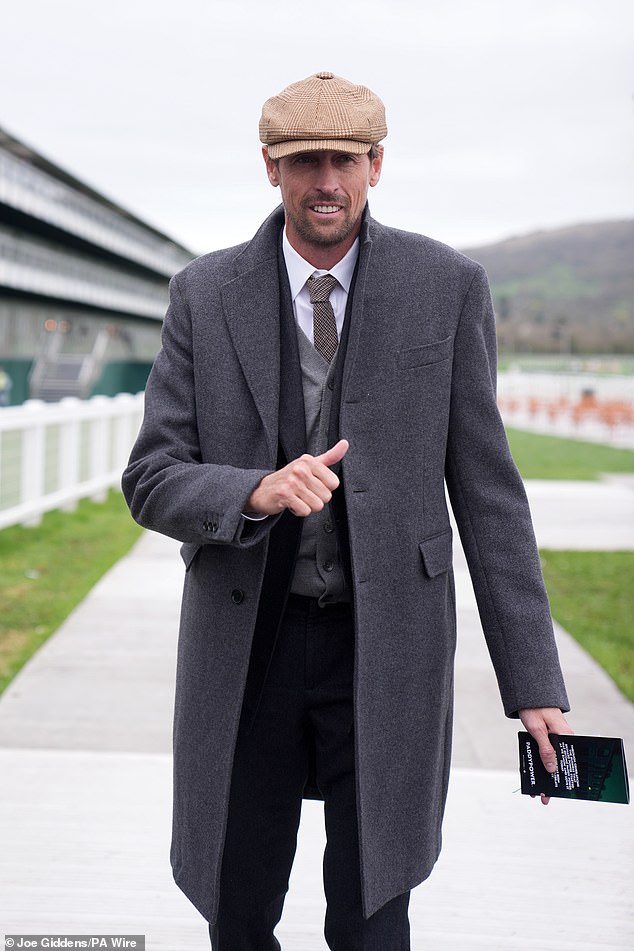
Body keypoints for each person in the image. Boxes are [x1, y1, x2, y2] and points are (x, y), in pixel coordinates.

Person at [122, 71, 572, 950]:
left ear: (376, 165)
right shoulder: (203, 296)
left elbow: (488, 494)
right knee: (238, 909)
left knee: (372, 920)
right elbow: (151, 476)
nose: (325, 179)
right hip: (247, 651)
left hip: (388, 648)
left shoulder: (447, 287)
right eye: (304, 161)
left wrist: (535, 686)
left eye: (345, 159)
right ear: (269, 168)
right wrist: (251, 489)